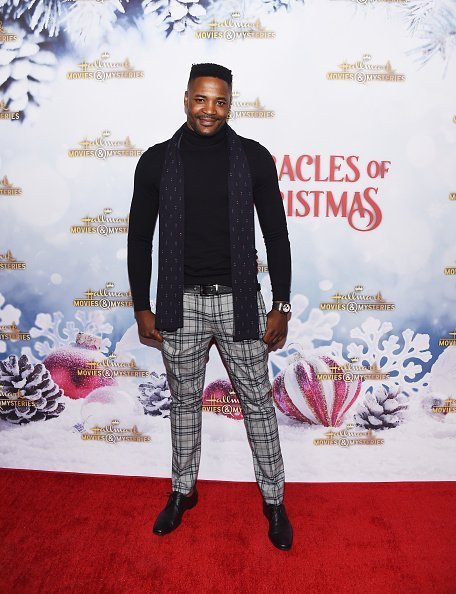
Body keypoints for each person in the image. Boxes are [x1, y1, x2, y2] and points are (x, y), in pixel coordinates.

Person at [127, 63, 293, 551]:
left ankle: (275, 499)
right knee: (183, 403)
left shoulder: (254, 158)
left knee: (258, 403)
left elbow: (277, 236)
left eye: (220, 101)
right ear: (186, 99)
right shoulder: (156, 161)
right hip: (178, 304)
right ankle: (183, 491)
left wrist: (281, 303)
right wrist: (142, 305)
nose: (210, 110)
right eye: (201, 99)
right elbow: (139, 240)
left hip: (241, 302)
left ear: (230, 104)